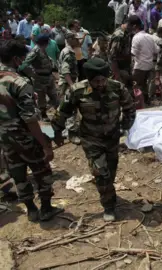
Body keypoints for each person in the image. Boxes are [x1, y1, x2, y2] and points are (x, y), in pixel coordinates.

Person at [52, 58, 136, 222]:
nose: (100, 84)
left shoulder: (117, 88)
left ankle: (108, 191)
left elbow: (129, 108)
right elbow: (63, 112)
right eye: (96, 81)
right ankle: (109, 206)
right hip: (91, 139)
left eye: (103, 80)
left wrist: (125, 127)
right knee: (101, 173)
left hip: (112, 137)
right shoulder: (77, 91)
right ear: (89, 79)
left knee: (110, 172)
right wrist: (57, 131)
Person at [0, 40, 63, 222]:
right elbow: (31, 119)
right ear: (16, 59)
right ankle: (46, 209)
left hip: (5, 138)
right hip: (25, 137)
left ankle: (31, 210)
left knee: (18, 174)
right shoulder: (20, 83)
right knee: (42, 171)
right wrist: (46, 145)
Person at [19, 34, 58, 121]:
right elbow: (24, 65)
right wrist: (33, 74)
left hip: (49, 77)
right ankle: (43, 117)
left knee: (55, 97)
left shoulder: (43, 50)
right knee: (41, 99)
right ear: (45, 43)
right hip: (40, 79)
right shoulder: (35, 52)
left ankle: (56, 115)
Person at [129, 15, 158, 105]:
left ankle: (137, 103)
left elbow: (133, 53)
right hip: (149, 65)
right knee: (144, 85)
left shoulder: (136, 37)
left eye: (130, 25)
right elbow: (156, 50)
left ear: (134, 26)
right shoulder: (150, 37)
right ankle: (146, 102)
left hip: (139, 66)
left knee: (135, 86)